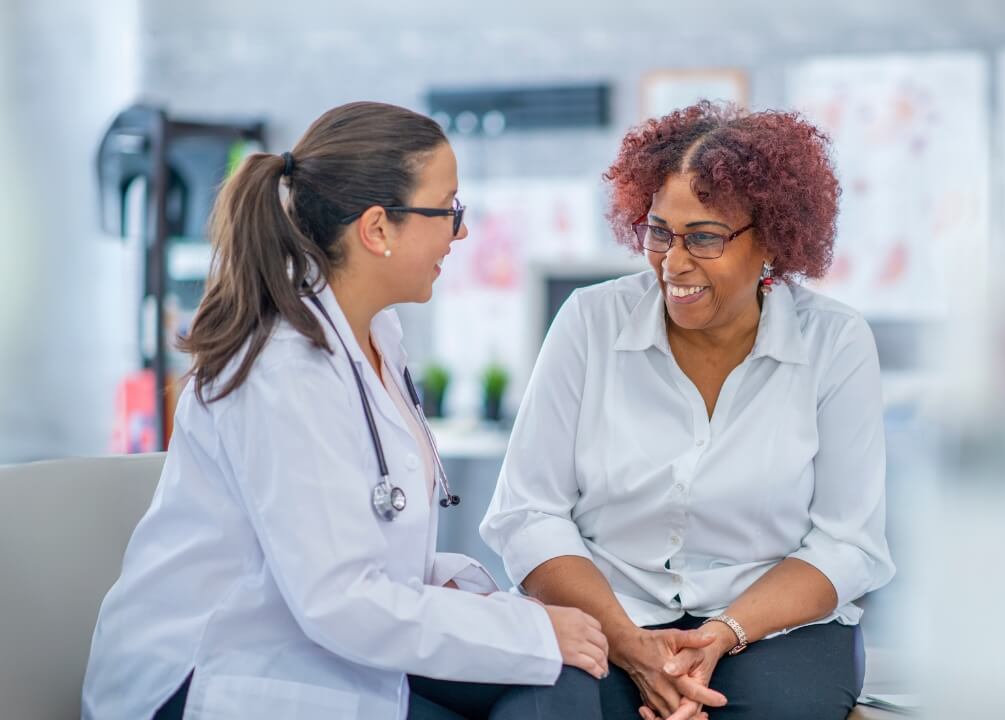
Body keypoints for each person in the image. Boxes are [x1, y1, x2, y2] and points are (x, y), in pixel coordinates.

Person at [82, 101, 607, 720]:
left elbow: (358, 551)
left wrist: (492, 608)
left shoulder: (377, 335)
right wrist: (529, 632)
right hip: (214, 674)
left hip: (323, 639)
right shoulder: (282, 368)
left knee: (562, 683)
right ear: (378, 228)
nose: (460, 232)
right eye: (448, 210)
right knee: (547, 671)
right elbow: (339, 599)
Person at [480, 100, 895, 720]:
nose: (673, 263)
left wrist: (723, 632)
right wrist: (630, 644)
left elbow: (847, 543)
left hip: (772, 626)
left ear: (773, 242)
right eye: (659, 232)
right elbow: (528, 513)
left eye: (704, 237)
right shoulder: (590, 323)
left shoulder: (834, 342)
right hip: (606, 610)